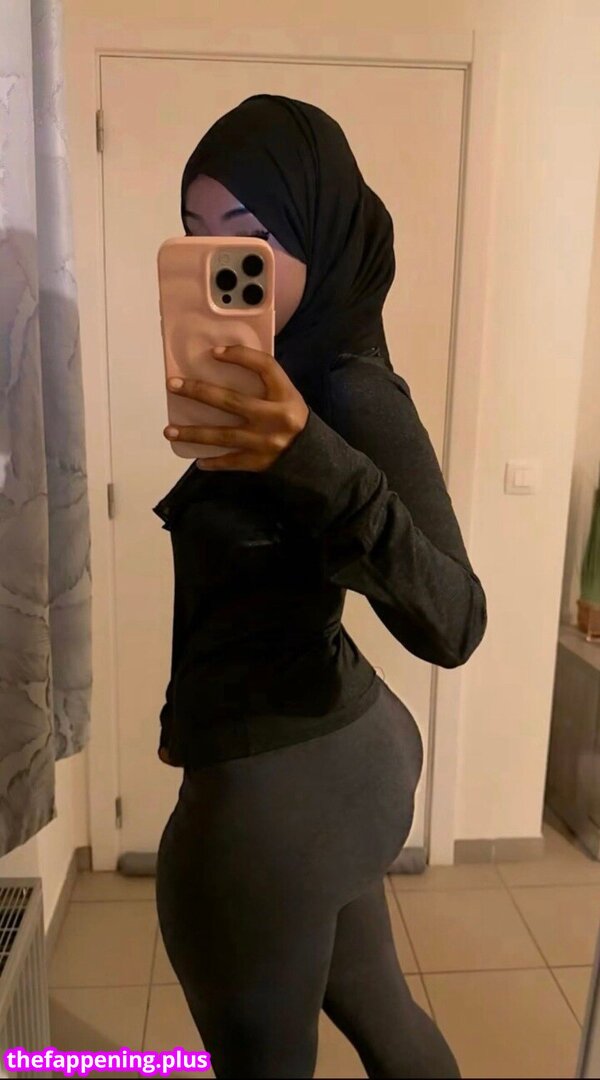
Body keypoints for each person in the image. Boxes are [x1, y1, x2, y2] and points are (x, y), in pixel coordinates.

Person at [154, 94, 487, 1080]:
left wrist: (307, 452)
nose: (216, 265)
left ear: (320, 232)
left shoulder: (346, 386)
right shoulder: (271, 366)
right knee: (386, 1016)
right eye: (195, 235)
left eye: (250, 240)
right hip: (332, 754)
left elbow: (456, 619)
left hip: (285, 783)